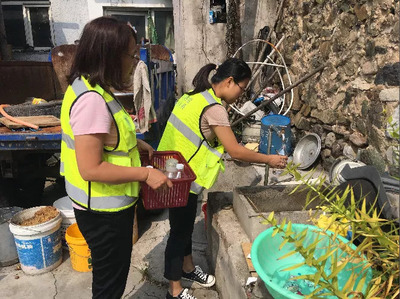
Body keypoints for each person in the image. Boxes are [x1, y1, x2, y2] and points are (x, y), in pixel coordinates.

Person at [59, 16, 172, 299]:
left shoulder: (89, 87)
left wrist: (138, 145)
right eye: (131, 54)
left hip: (101, 208)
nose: (135, 61)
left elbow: (108, 140)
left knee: (109, 276)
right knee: (110, 284)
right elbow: (91, 168)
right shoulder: (92, 101)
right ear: (109, 55)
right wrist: (145, 174)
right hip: (103, 212)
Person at [157, 58, 288, 299]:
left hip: (172, 171)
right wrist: (268, 159)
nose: (241, 94)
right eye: (242, 88)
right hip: (183, 179)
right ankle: (174, 292)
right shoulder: (214, 108)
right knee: (178, 234)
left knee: (182, 227)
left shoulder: (193, 96)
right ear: (229, 81)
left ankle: (187, 268)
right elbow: (235, 150)